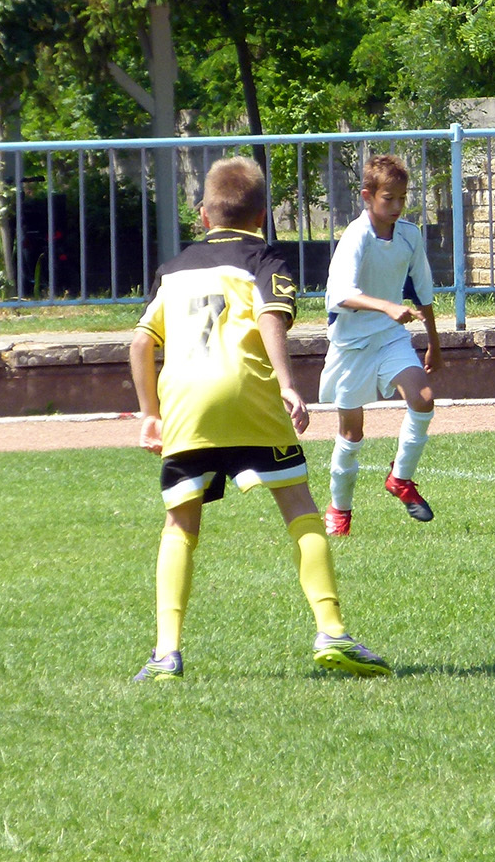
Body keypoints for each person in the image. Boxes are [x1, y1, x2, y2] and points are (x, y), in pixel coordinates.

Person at [129, 155, 390, 683]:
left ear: (204, 215)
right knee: (300, 508)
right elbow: (272, 316)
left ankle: (165, 653)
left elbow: (140, 342)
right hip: (248, 395)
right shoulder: (265, 258)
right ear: (262, 215)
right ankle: (331, 631)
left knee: (180, 524)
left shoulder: (173, 269)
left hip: (186, 404)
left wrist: (150, 415)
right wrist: (288, 384)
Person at [319, 154, 442, 535]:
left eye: (403, 198)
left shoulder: (409, 235)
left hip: (390, 337)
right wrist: (387, 306)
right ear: (367, 196)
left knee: (423, 398)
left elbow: (423, 291)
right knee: (351, 434)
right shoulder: (356, 237)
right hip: (351, 343)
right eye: (389, 198)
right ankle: (339, 510)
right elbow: (340, 295)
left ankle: (400, 479)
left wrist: (434, 342)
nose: (397, 206)